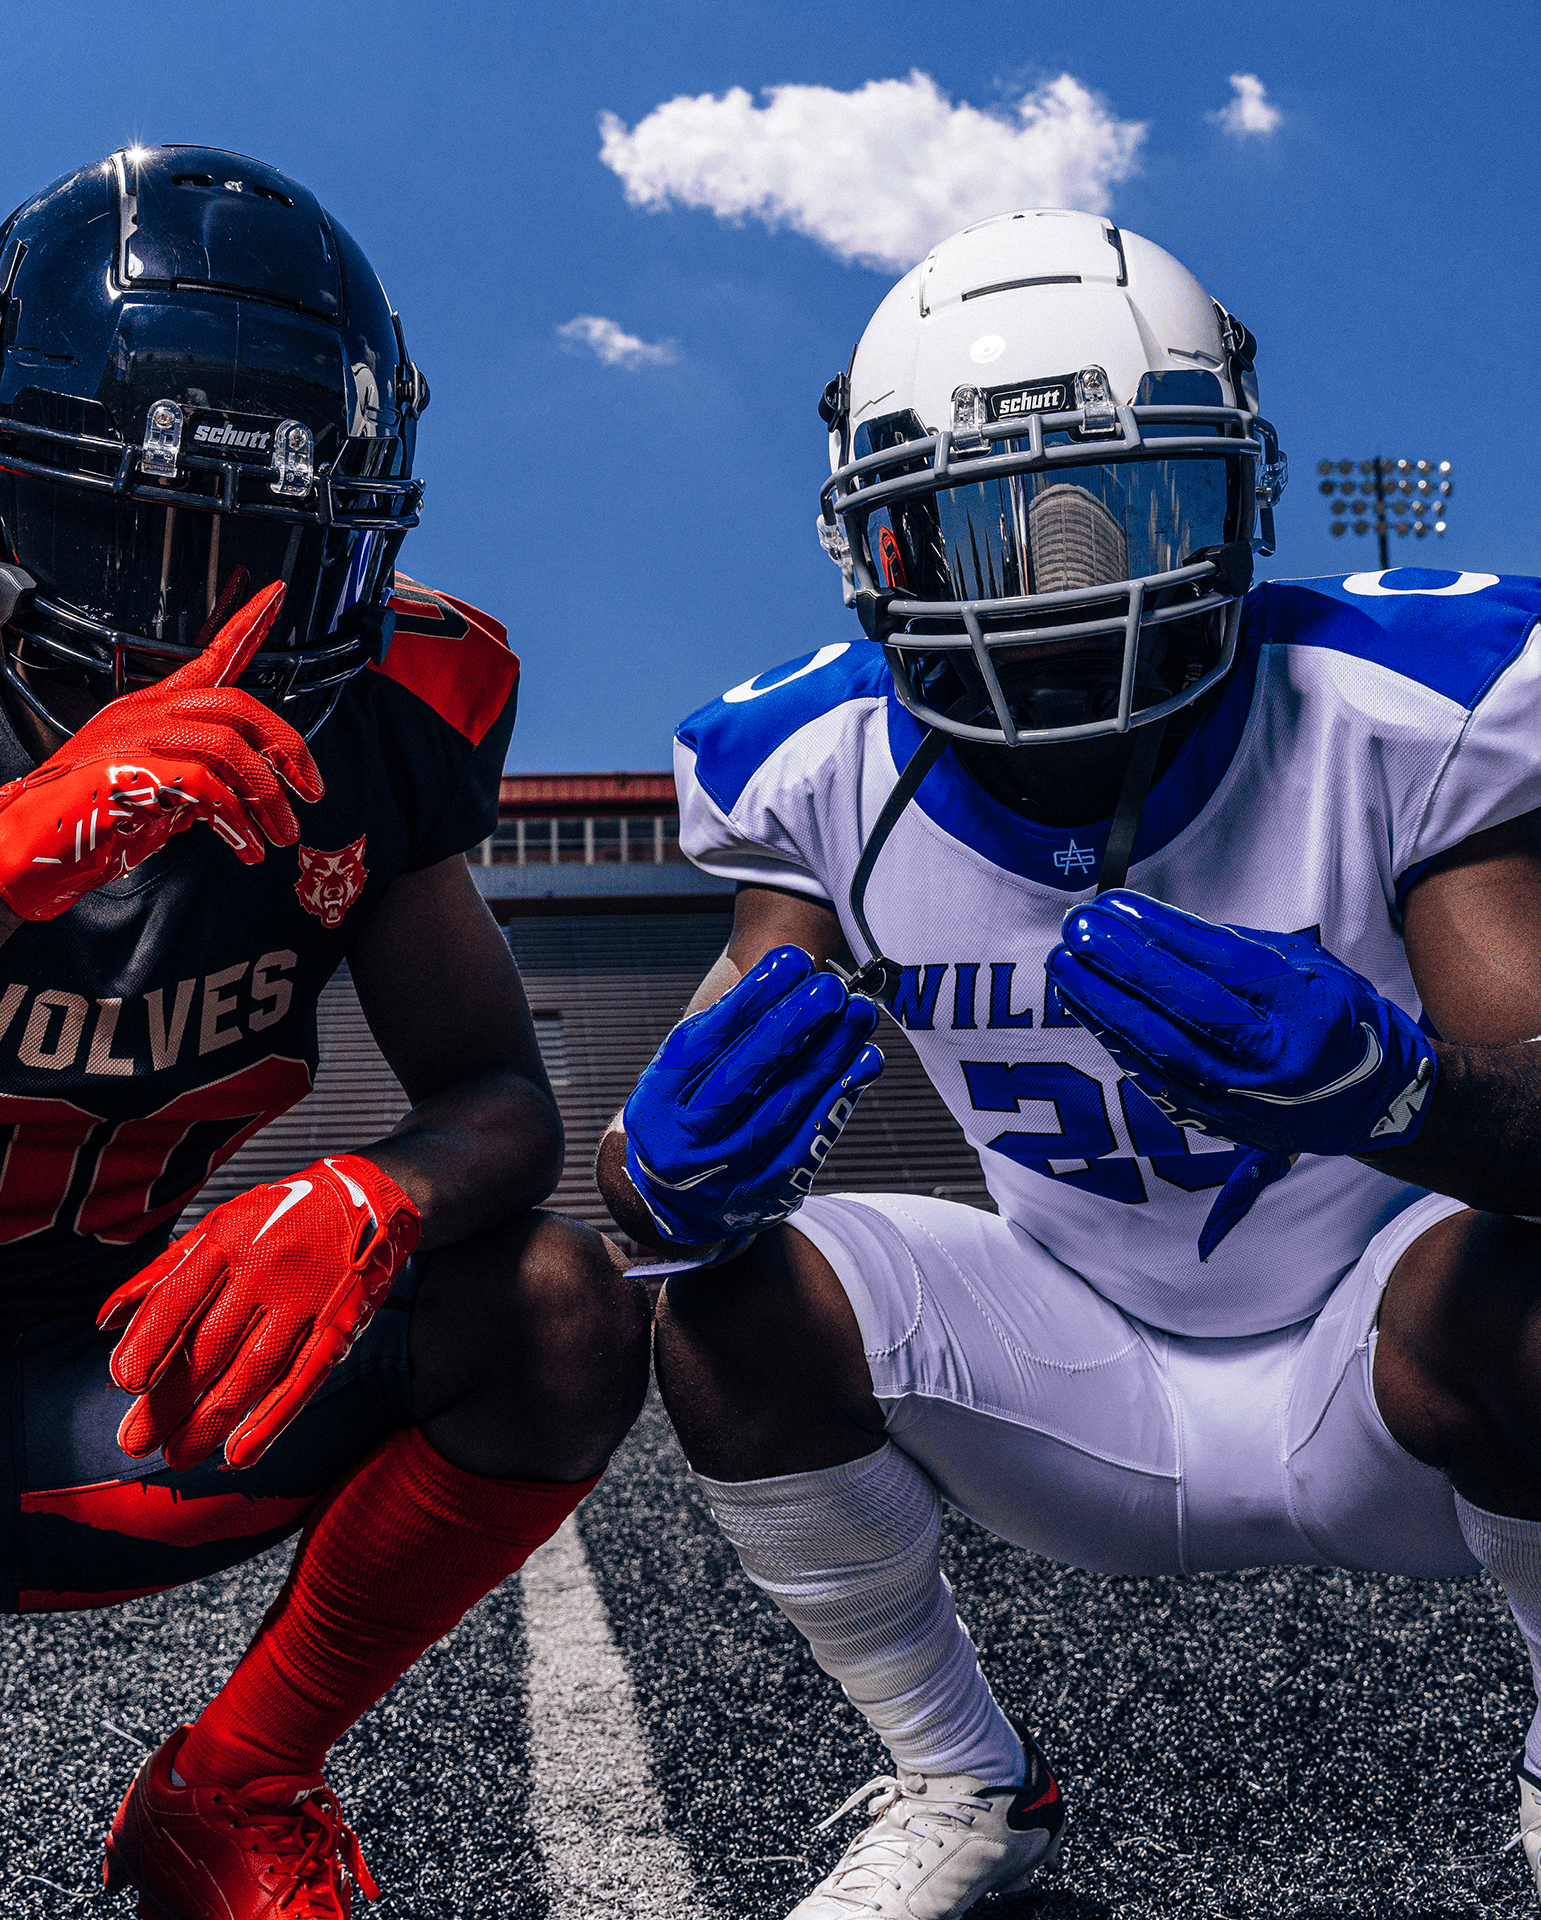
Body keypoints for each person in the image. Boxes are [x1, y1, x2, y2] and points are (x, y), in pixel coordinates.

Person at [0, 144, 649, 1920]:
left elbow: (497, 1095)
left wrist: (378, 1190)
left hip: (122, 1372)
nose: (213, 610)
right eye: (145, 528)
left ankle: (231, 1788)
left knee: (555, 1310)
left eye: (274, 539)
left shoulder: (389, 715)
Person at [597, 205, 1541, 1918]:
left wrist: (1397, 1097)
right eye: (975, 535)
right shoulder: (812, 767)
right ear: (875, 553)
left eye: (1129, 509)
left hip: (1395, 1355)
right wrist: (661, 1175)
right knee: (731, 1298)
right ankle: (965, 1783)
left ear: (1239, 498)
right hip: (1079, 1363)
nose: (1063, 586)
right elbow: (663, 1185)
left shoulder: (1405, 704)